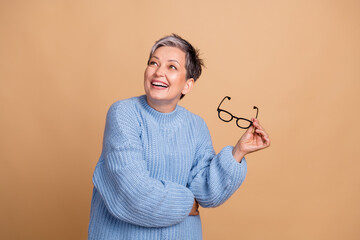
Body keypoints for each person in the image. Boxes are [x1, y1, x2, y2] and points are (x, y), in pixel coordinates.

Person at [88, 34, 270, 240]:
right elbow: (133, 193)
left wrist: (238, 152)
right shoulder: (123, 113)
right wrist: (187, 204)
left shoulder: (196, 125)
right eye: (153, 63)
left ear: (187, 85)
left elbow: (207, 192)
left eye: (171, 67)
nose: (158, 72)